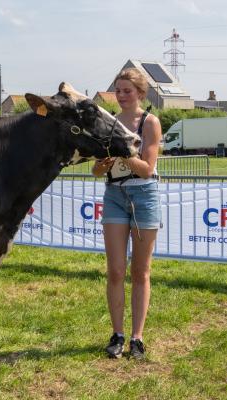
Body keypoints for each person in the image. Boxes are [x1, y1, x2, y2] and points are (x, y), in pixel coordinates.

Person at [92, 68, 162, 360]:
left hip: (144, 197)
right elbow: (95, 170)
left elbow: (147, 168)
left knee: (140, 272)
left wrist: (124, 153)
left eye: (127, 91)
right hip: (114, 197)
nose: (121, 96)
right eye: (118, 91)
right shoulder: (108, 123)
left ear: (140, 94)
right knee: (116, 271)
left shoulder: (150, 122)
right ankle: (117, 334)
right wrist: (105, 164)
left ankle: (137, 338)